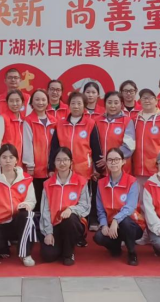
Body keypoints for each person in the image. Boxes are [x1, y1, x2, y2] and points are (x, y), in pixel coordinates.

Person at [48, 92, 102, 230]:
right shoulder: (60, 124)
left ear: (84, 106)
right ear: (68, 105)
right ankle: (63, 225)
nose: (76, 106)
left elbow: (96, 148)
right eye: (73, 103)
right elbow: (54, 148)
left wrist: (98, 169)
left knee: (84, 199)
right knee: (66, 198)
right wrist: (51, 168)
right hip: (63, 170)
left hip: (84, 170)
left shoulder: (90, 123)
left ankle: (84, 225)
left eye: (79, 103)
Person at [0, 144, 37, 267]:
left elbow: (31, 200)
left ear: (16, 160)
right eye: (4, 157)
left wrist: (26, 204)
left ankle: (25, 253)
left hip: (17, 222)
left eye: (11, 157)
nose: (7, 161)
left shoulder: (26, 178)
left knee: (28, 215)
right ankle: (3, 245)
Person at [94, 148, 145, 266]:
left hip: (132, 224)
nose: (113, 163)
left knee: (125, 222)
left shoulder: (132, 181)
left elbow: (130, 207)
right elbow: (100, 209)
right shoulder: (101, 183)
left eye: (117, 159)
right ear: (106, 162)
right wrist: (103, 225)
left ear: (123, 162)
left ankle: (132, 252)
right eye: (110, 160)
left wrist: (116, 220)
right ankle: (115, 247)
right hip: (112, 225)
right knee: (99, 237)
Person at [40, 147, 90, 266]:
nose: (62, 163)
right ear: (54, 162)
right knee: (48, 256)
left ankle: (69, 253)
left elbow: (85, 206)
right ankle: (61, 244)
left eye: (65, 160)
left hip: (73, 223)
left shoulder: (81, 181)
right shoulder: (48, 184)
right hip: (54, 225)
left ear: (71, 162)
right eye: (58, 160)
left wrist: (71, 209)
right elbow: (45, 210)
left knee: (69, 219)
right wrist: (48, 232)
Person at [23, 89, 57, 209]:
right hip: (36, 169)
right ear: (32, 102)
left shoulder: (54, 121)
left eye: (43, 100)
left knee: (50, 200)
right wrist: (30, 165)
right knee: (37, 198)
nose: (40, 102)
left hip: (52, 169)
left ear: (48, 102)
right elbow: (27, 144)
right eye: (37, 99)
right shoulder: (28, 121)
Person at [95, 91, 136, 175]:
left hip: (121, 169)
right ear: (105, 104)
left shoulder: (127, 121)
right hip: (101, 169)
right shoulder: (97, 121)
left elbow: (129, 146)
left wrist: (110, 158)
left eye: (116, 103)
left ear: (121, 104)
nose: (112, 106)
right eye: (109, 102)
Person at [0, 90, 25, 169]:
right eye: (11, 101)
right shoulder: (2, 119)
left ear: (22, 103)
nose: (14, 104)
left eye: (17, 100)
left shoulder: (24, 120)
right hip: (6, 164)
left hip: (19, 165)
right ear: (7, 103)